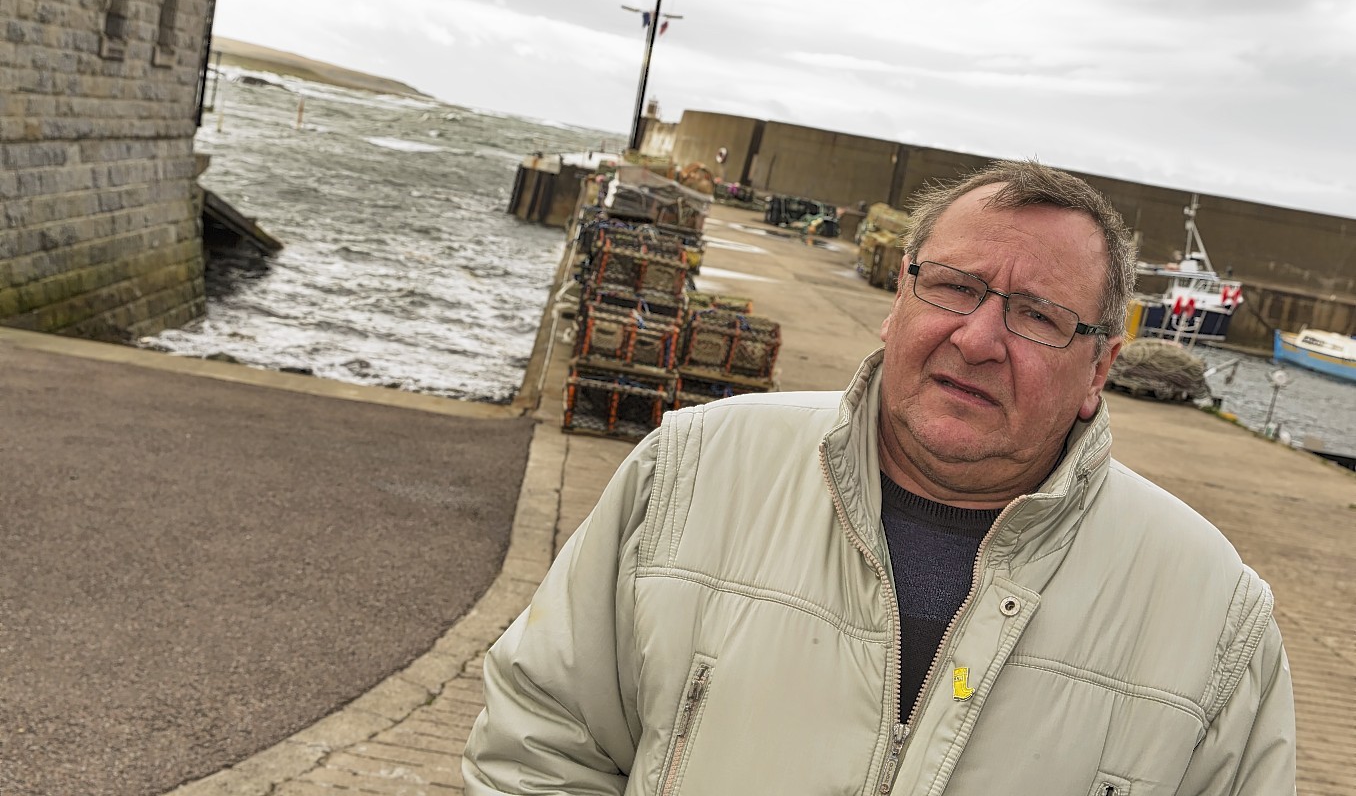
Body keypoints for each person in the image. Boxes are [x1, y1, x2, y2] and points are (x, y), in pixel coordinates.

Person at [463, 162, 1295, 795]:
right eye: (953, 287)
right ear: (899, 296)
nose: (976, 338)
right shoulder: (694, 468)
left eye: (1037, 315)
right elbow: (543, 741)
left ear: (1098, 369)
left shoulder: (1216, 614)